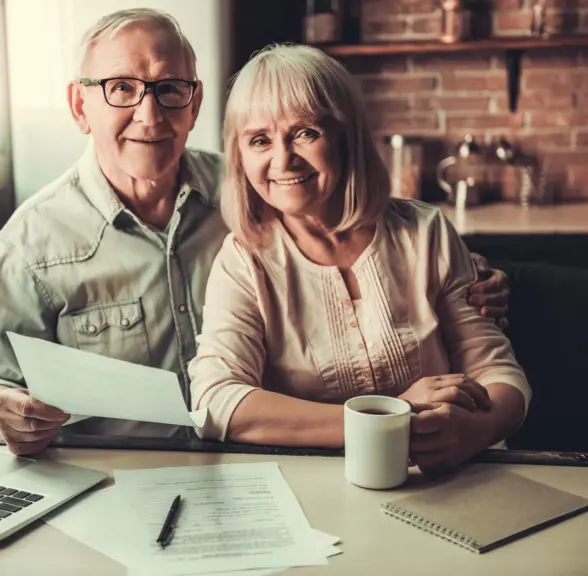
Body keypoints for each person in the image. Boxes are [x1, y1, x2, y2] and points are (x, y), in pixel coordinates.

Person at [0, 9, 511, 456]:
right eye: (121, 88)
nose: (150, 114)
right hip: (116, 467)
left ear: (194, 103)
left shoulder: (259, 188)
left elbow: (360, 236)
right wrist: (3, 406)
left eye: (169, 88)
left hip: (254, 462)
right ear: (81, 106)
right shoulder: (30, 241)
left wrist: (465, 276)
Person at [188, 44, 530, 471]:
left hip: (447, 477)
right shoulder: (243, 262)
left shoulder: (425, 232)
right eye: (259, 140)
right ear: (239, 156)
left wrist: (474, 431)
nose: (283, 159)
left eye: (305, 132)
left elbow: (502, 376)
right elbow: (216, 402)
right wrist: (387, 418)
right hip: (316, 487)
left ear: (346, 138)